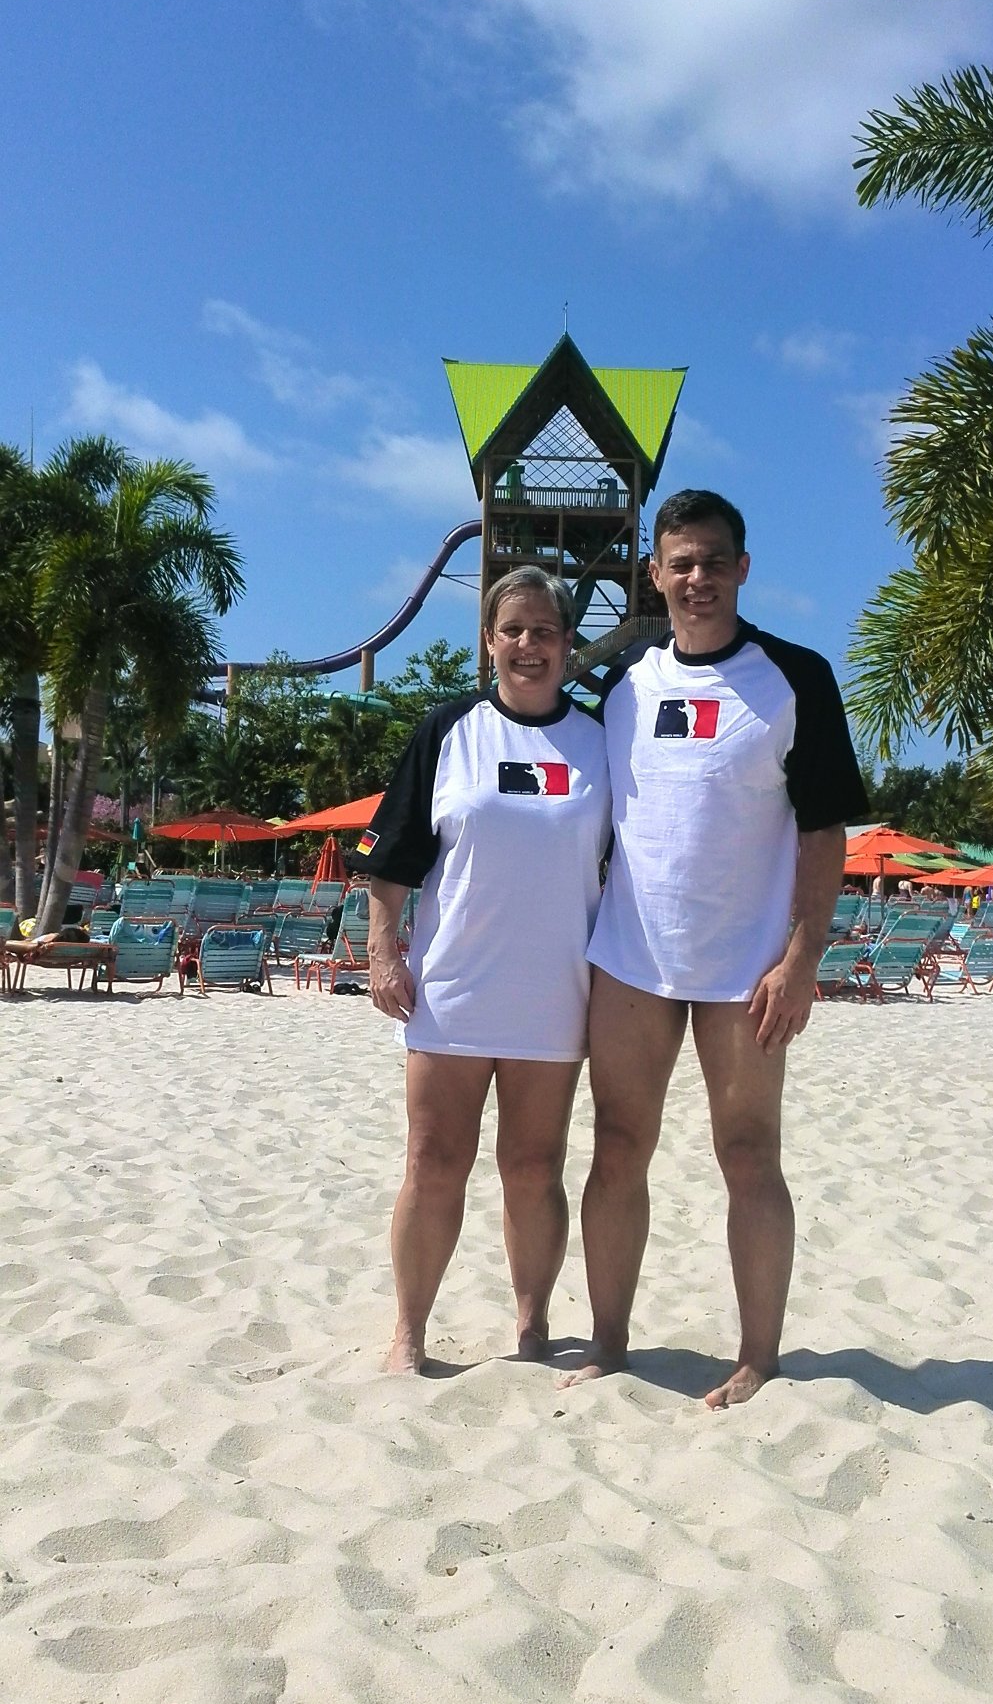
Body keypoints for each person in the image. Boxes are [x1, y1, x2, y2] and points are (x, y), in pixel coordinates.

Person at [564, 489, 870, 1410]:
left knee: (748, 1153)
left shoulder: (795, 678)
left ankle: (758, 1356)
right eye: (679, 563)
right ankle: (611, 1343)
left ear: (743, 568)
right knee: (618, 1146)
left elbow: (824, 831)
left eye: (713, 561)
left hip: (747, 967)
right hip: (630, 958)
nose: (696, 578)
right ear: (654, 575)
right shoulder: (623, 690)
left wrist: (802, 957)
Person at [349, 568, 611, 1375]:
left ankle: (532, 1325)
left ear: (568, 644)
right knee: (432, 1164)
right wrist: (382, 949)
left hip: (557, 995)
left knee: (533, 1170)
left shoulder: (601, 740)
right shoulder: (448, 730)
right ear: (489, 641)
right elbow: (390, 859)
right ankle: (408, 1334)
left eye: (544, 631)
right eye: (513, 630)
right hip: (453, 990)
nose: (528, 645)